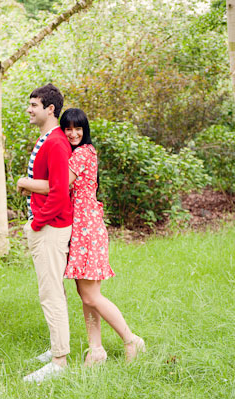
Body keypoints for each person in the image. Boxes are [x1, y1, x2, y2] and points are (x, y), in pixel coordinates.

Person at [18, 108, 145, 367]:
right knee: (85, 292)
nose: (73, 133)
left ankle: (132, 340)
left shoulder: (83, 153)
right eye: (68, 129)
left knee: (91, 296)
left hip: (87, 226)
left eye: (78, 128)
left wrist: (25, 183)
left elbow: (59, 185)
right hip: (80, 227)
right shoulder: (77, 153)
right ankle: (95, 350)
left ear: (85, 130)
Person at [18, 84, 73, 383]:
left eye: (34, 105)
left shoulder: (55, 142)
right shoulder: (47, 139)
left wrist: (37, 223)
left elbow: (60, 191)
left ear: (50, 109)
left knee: (50, 294)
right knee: (53, 292)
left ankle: (60, 363)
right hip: (45, 225)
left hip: (50, 227)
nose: (29, 109)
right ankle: (56, 350)